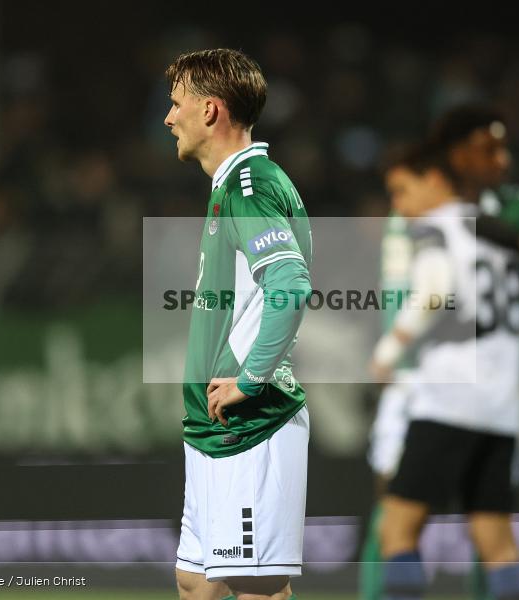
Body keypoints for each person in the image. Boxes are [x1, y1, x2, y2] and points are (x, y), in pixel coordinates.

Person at [371, 107, 519, 600]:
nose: (399, 205)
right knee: (496, 541)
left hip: (445, 393)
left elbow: (434, 289)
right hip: (502, 403)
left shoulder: (438, 226)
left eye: (403, 191)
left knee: (397, 530)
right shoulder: (504, 233)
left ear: (431, 178)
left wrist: (388, 351)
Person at [164, 48, 312, 600]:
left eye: (176, 103)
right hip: (214, 428)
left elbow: (290, 286)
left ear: (210, 111)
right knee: (194, 582)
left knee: (257, 590)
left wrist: (250, 380)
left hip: (250, 424)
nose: (167, 117)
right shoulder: (233, 186)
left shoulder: (250, 185)